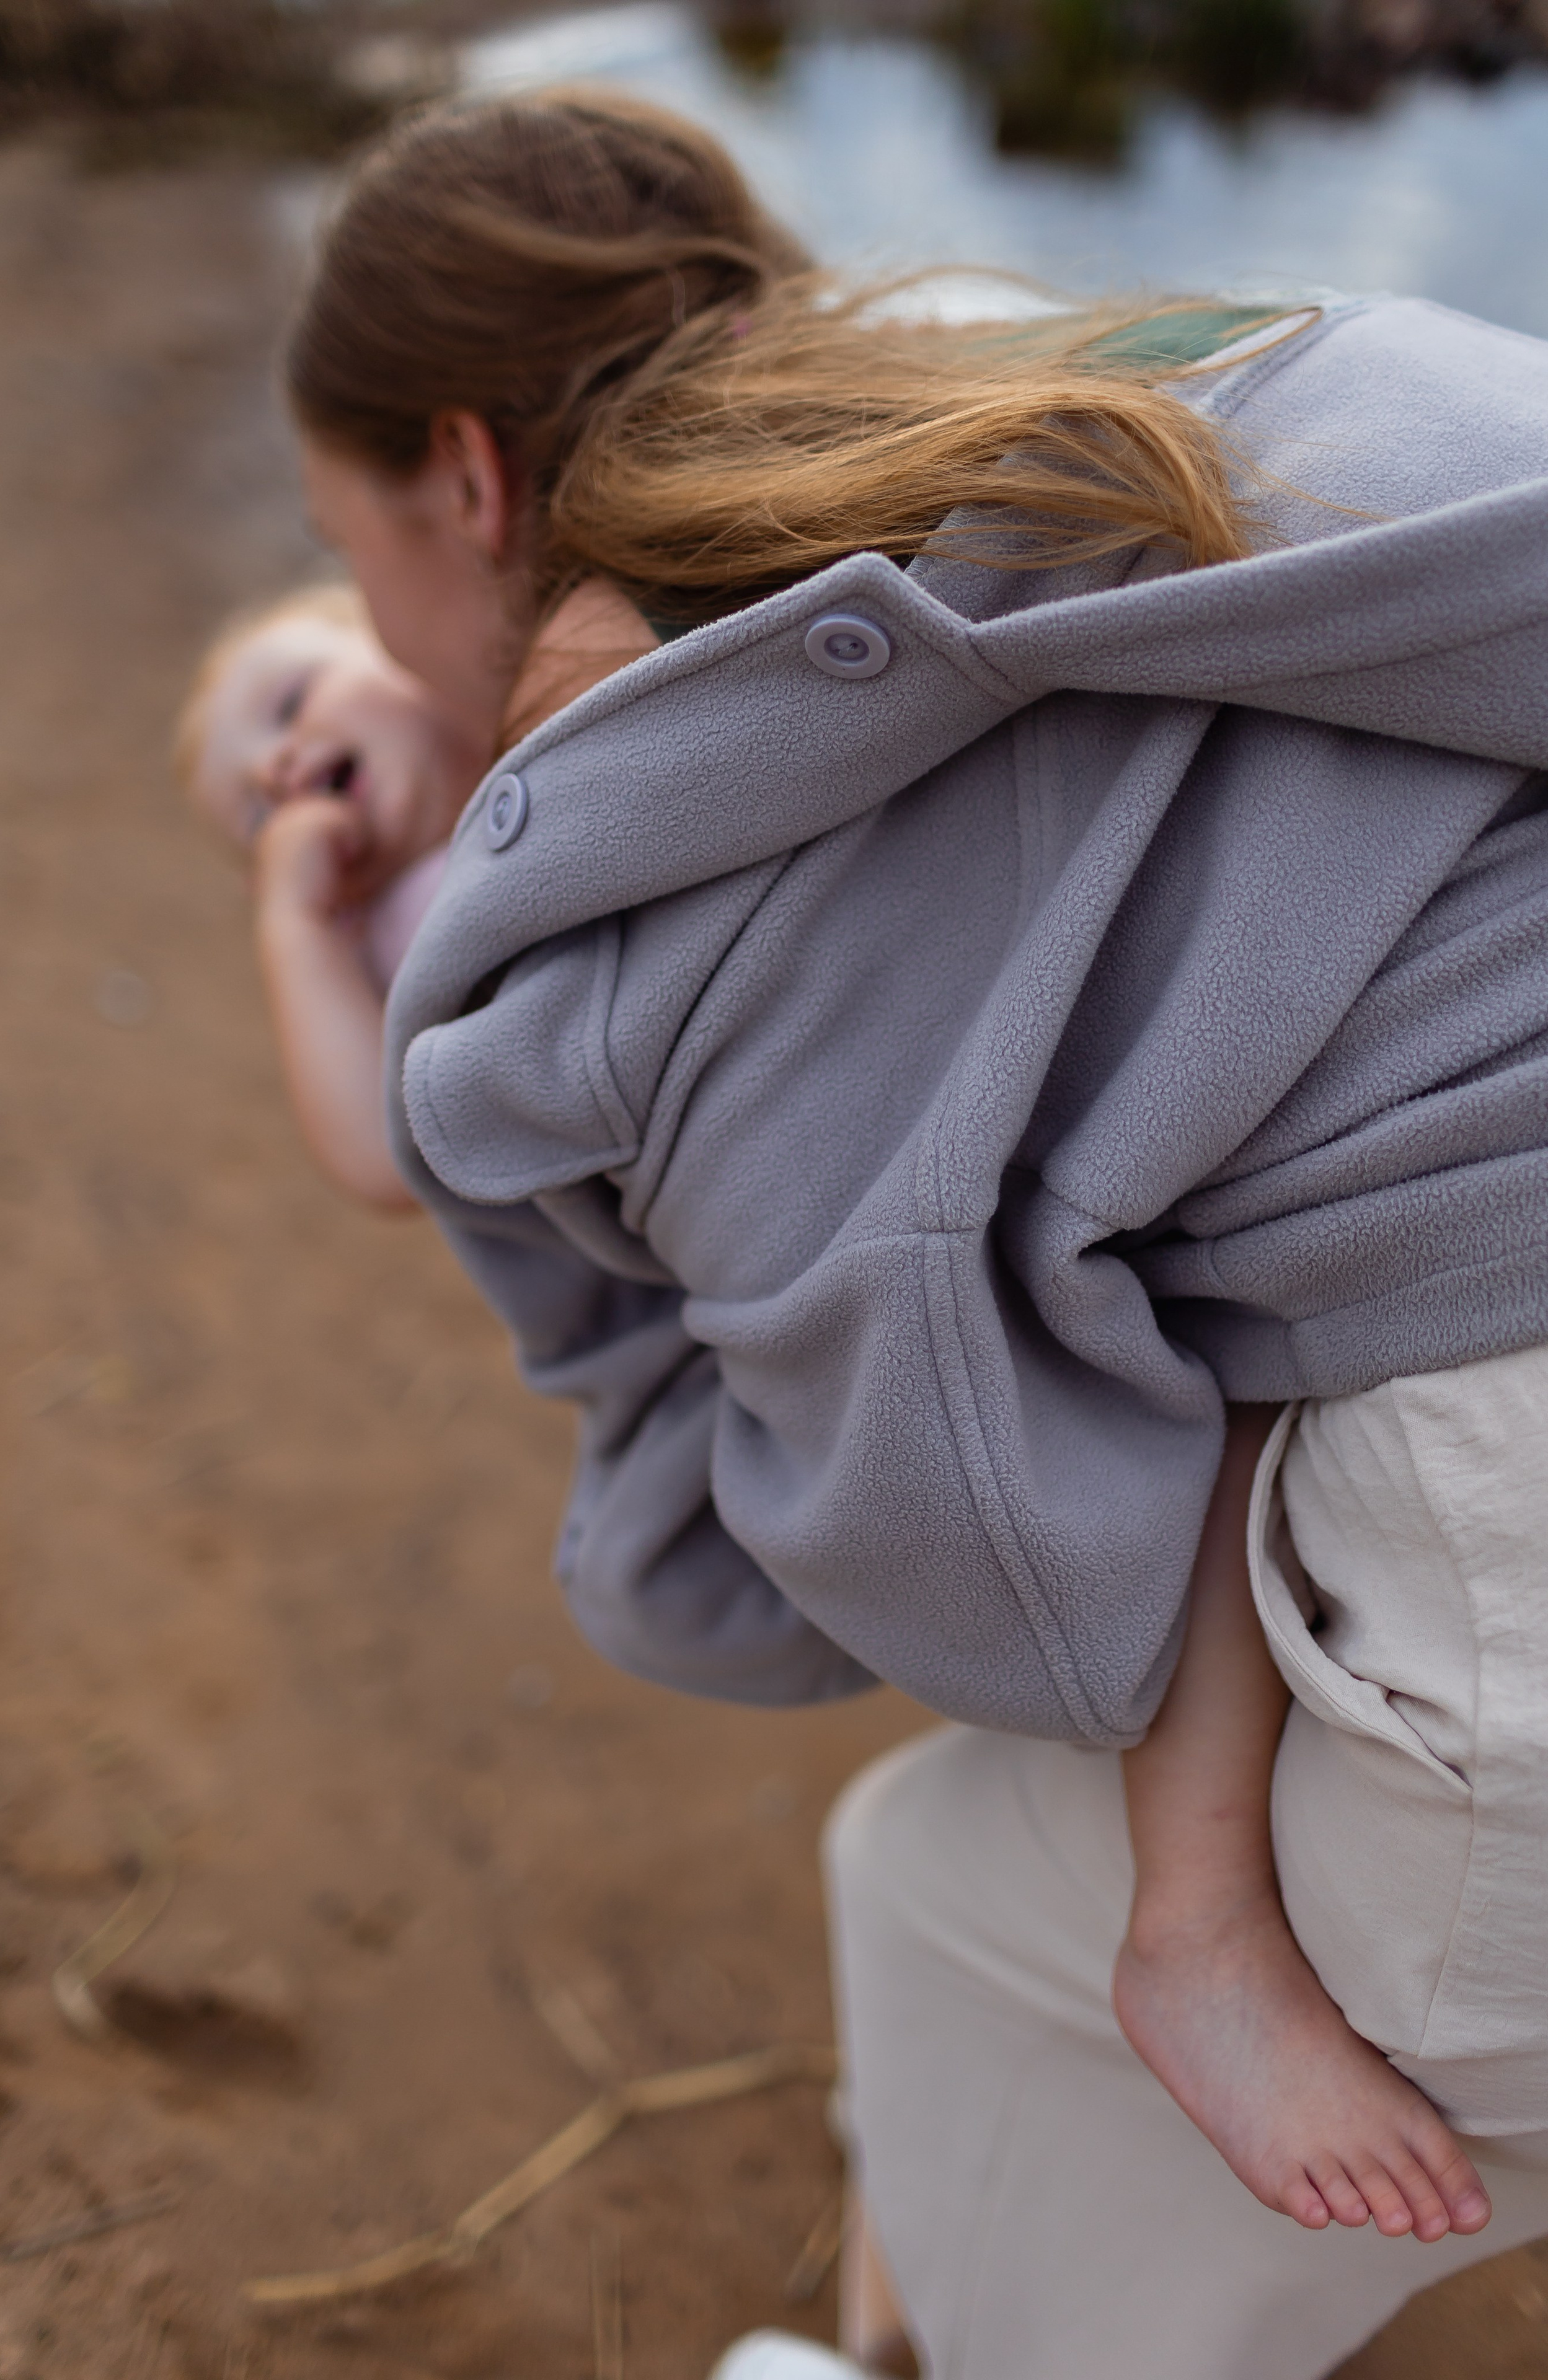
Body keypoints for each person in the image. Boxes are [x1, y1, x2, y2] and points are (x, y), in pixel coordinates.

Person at [276, 84, 1548, 2380]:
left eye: (347, 554)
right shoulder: (1057, 398)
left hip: (1511, 1533)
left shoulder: (669, 870)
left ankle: (963, 2308)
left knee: (936, 1880)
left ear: (464, 478)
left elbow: (999, 1576)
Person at [179, 575, 657, 1208]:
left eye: (292, 703)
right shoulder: (377, 953)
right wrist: (298, 922)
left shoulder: (554, 706)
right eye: (258, 820)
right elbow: (383, 1159)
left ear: (397, 643)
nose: (273, 771)